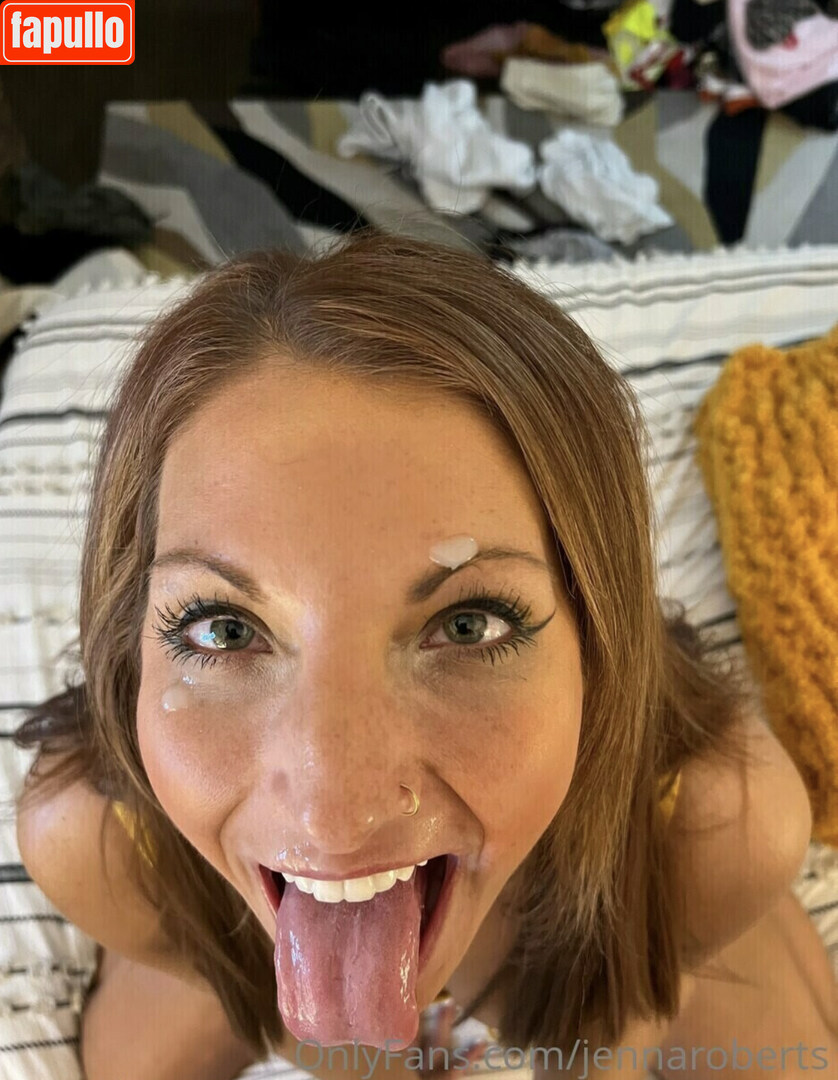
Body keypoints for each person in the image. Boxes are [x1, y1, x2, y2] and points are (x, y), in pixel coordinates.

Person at [13, 232, 837, 1080]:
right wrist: (349, 1042)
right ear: (129, 631)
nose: (333, 817)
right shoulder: (95, 838)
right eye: (223, 629)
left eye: (469, 626)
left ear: (601, 637)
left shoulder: (720, 823)